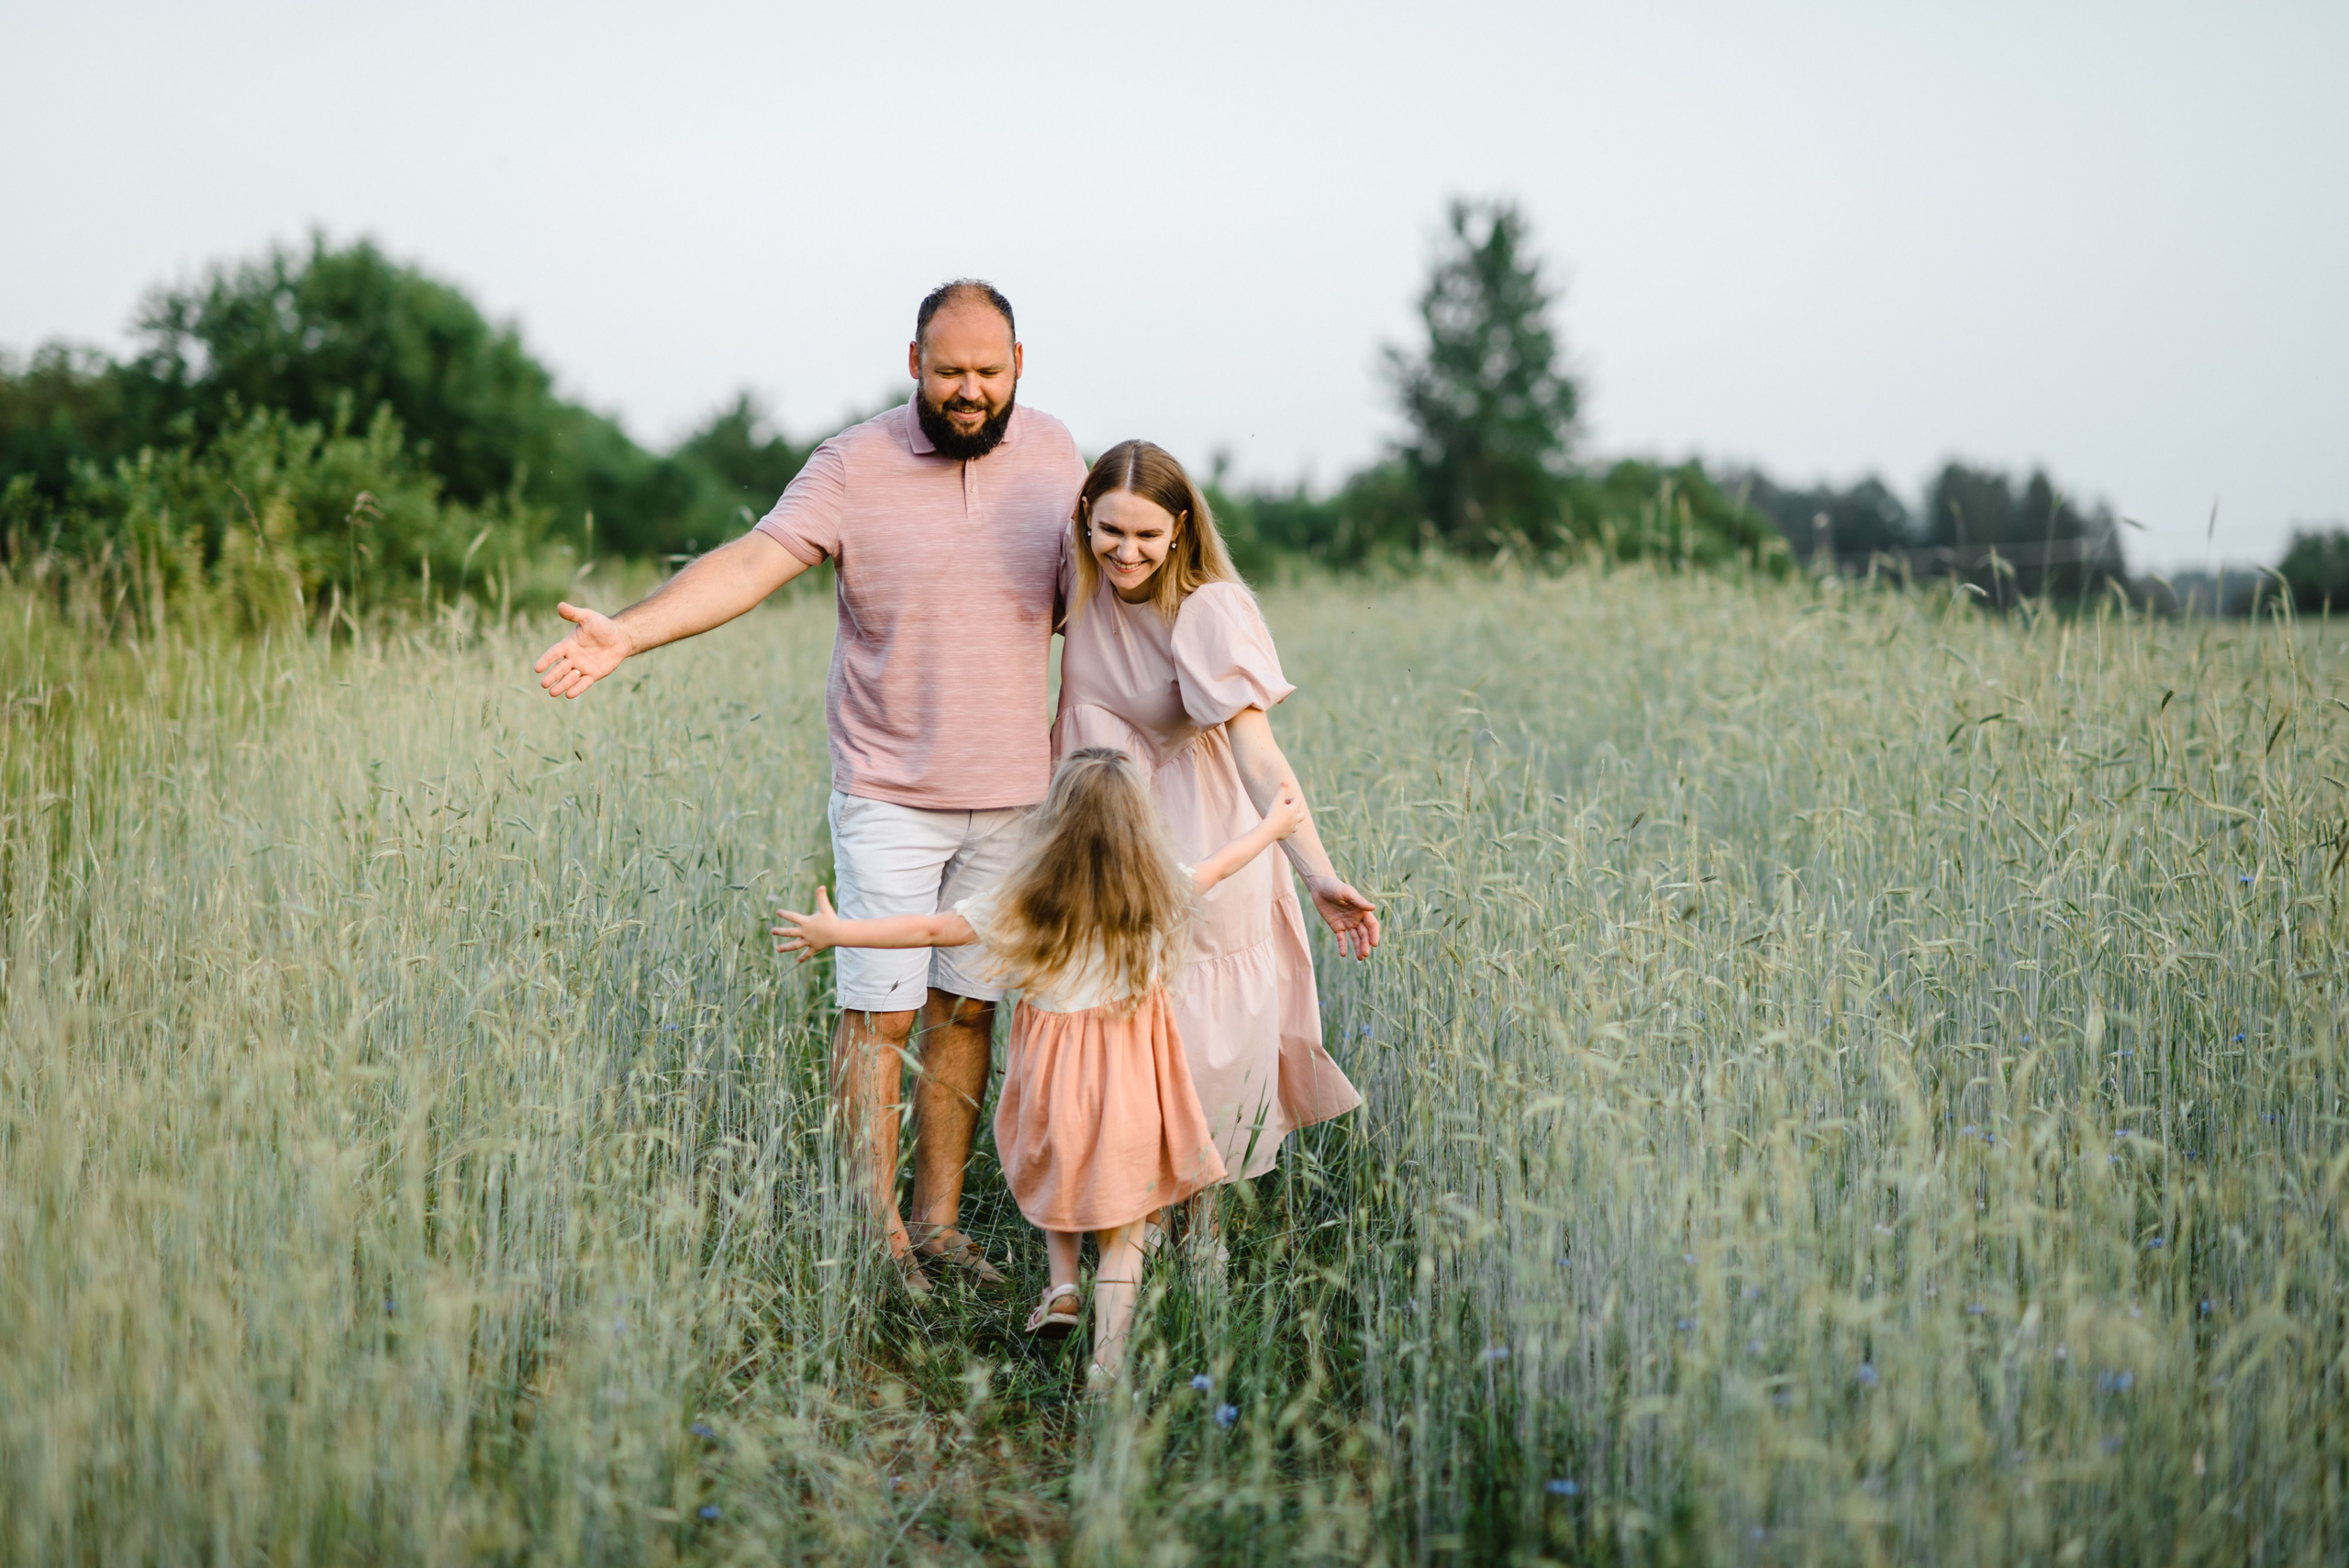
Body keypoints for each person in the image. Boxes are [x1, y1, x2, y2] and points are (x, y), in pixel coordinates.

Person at [530, 280, 1085, 1294]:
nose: (970, 391)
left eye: (989, 372)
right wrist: (630, 631)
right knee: (877, 1011)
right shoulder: (851, 464)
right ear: (913, 362)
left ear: (1018, 366)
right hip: (886, 788)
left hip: (1015, 794)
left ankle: (940, 1225)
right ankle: (872, 1234)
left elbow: (1095, 600)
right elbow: (751, 561)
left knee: (967, 1009)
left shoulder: (1055, 454)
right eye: (951, 370)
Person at [773, 749, 1305, 1383]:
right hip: (1132, 1093)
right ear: (1141, 827)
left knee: (1060, 1183)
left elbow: (934, 930)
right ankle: (1108, 1361)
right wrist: (1272, 827)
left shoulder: (1024, 902)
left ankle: (1060, 1286)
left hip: (1057, 1093)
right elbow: (1218, 867)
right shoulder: (1157, 893)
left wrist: (841, 934)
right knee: (1123, 1235)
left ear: (1052, 823)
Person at [1053, 441, 1378, 1225]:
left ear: (1180, 530)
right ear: (1085, 521)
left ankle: (1207, 1251)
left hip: (1202, 838)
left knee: (1199, 1040)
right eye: (1110, 531)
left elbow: (1259, 756)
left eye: (1146, 535)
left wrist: (1317, 873)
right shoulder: (1075, 581)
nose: (1126, 551)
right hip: (1100, 840)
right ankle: (1125, 1232)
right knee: (1107, 1033)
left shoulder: (1206, 609)